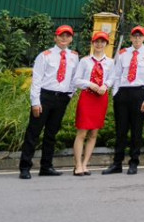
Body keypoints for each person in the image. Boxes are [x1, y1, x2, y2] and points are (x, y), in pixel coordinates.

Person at [18, 24, 79, 180]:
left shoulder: (74, 56)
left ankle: (46, 166)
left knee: (51, 133)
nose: (64, 38)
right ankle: (25, 167)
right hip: (45, 97)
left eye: (67, 36)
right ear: (55, 37)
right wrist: (35, 102)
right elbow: (36, 80)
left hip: (62, 98)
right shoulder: (44, 56)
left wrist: (69, 95)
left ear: (71, 38)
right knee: (33, 133)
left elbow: (74, 78)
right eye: (61, 35)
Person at [102, 25, 144, 175]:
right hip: (123, 94)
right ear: (131, 38)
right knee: (120, 130)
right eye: (135, 36)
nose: (137, 38)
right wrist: (116, 93)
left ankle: (134, 162)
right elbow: (117, 75)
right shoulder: (123, 53)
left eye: (140, 36)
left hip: (139, 93)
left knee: (136, 130)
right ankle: (117, 163)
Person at [71, 31, 114, 176]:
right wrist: (90, 84)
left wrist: (105, 85)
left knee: (94, 132)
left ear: (106, 44)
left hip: (101, 98)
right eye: (97, 41)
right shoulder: (84, 61)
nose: (99, 44)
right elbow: (76, 80)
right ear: (93, 43)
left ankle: (85, 164)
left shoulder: (110, 62)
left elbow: (112, 78)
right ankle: (77, 165)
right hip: (87, 97)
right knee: (82, 131)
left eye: (102, 42)